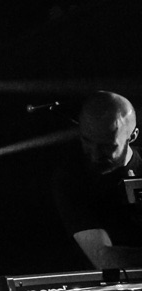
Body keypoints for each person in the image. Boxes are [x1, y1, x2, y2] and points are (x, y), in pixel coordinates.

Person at [52, 91, 142, 269]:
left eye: (107, 146)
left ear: (132, 136)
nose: (94, 154)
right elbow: (106, 260)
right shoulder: (72, 179)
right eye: (87, 141)